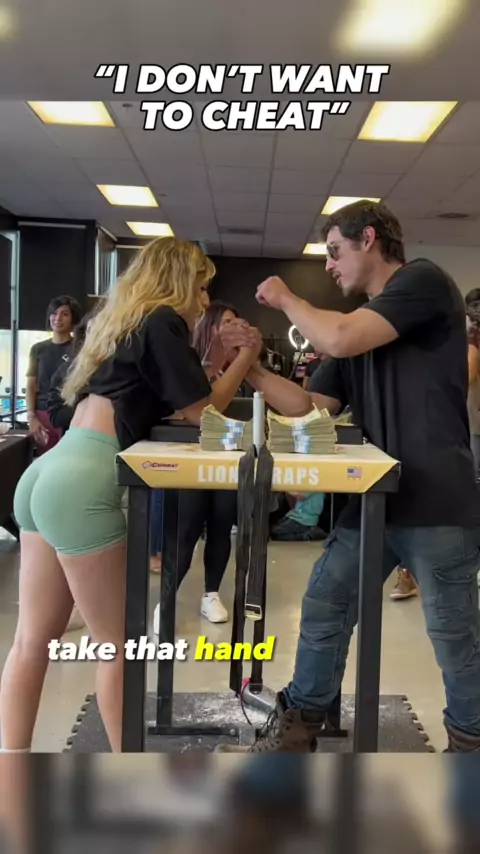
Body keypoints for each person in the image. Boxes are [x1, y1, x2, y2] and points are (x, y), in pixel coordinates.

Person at [219, 199, 480, 753]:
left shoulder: (423, 283)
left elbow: (338, 337)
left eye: (335, 251)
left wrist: (286, 297)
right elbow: (310, 406)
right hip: (377, 498)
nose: (330, 265)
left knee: (454, 633)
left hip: (438, 498)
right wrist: (253, 366)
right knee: (326, 601)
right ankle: (299, 726)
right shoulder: (357, 326)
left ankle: (470, 744)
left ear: (369, 239)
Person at [0, 237, 261, 753]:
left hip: (47, 473)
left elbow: (179, 391)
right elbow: (203, 412)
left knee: (31, 640)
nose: (204, 300)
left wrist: (215, 356)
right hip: (83, 482)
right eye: (201, 288)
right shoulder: (163, 320)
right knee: (119, 647)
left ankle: (11, 769)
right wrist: (247, 356)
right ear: (179, 282)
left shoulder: (120, 324)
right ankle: (131, 773)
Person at [152, 301, 241, 630]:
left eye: (236, 322)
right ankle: (166, 599)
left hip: (228, 458)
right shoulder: (189, 361)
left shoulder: (245, 368)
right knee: (185, 529)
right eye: (225, 322)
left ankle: (211, 594)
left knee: (221, 526)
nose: (232, 328)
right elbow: (194, 409)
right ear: (210, 327)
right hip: (190, 459)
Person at [25, 295, 82, 454]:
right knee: (45, 461)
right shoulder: (38, 349)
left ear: (73, 319)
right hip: (42, 415)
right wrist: (31, 417)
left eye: (65, 314)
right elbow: (31, 385)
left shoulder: (80, 348)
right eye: (54, 313)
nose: (58, 318)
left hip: (71, 413)